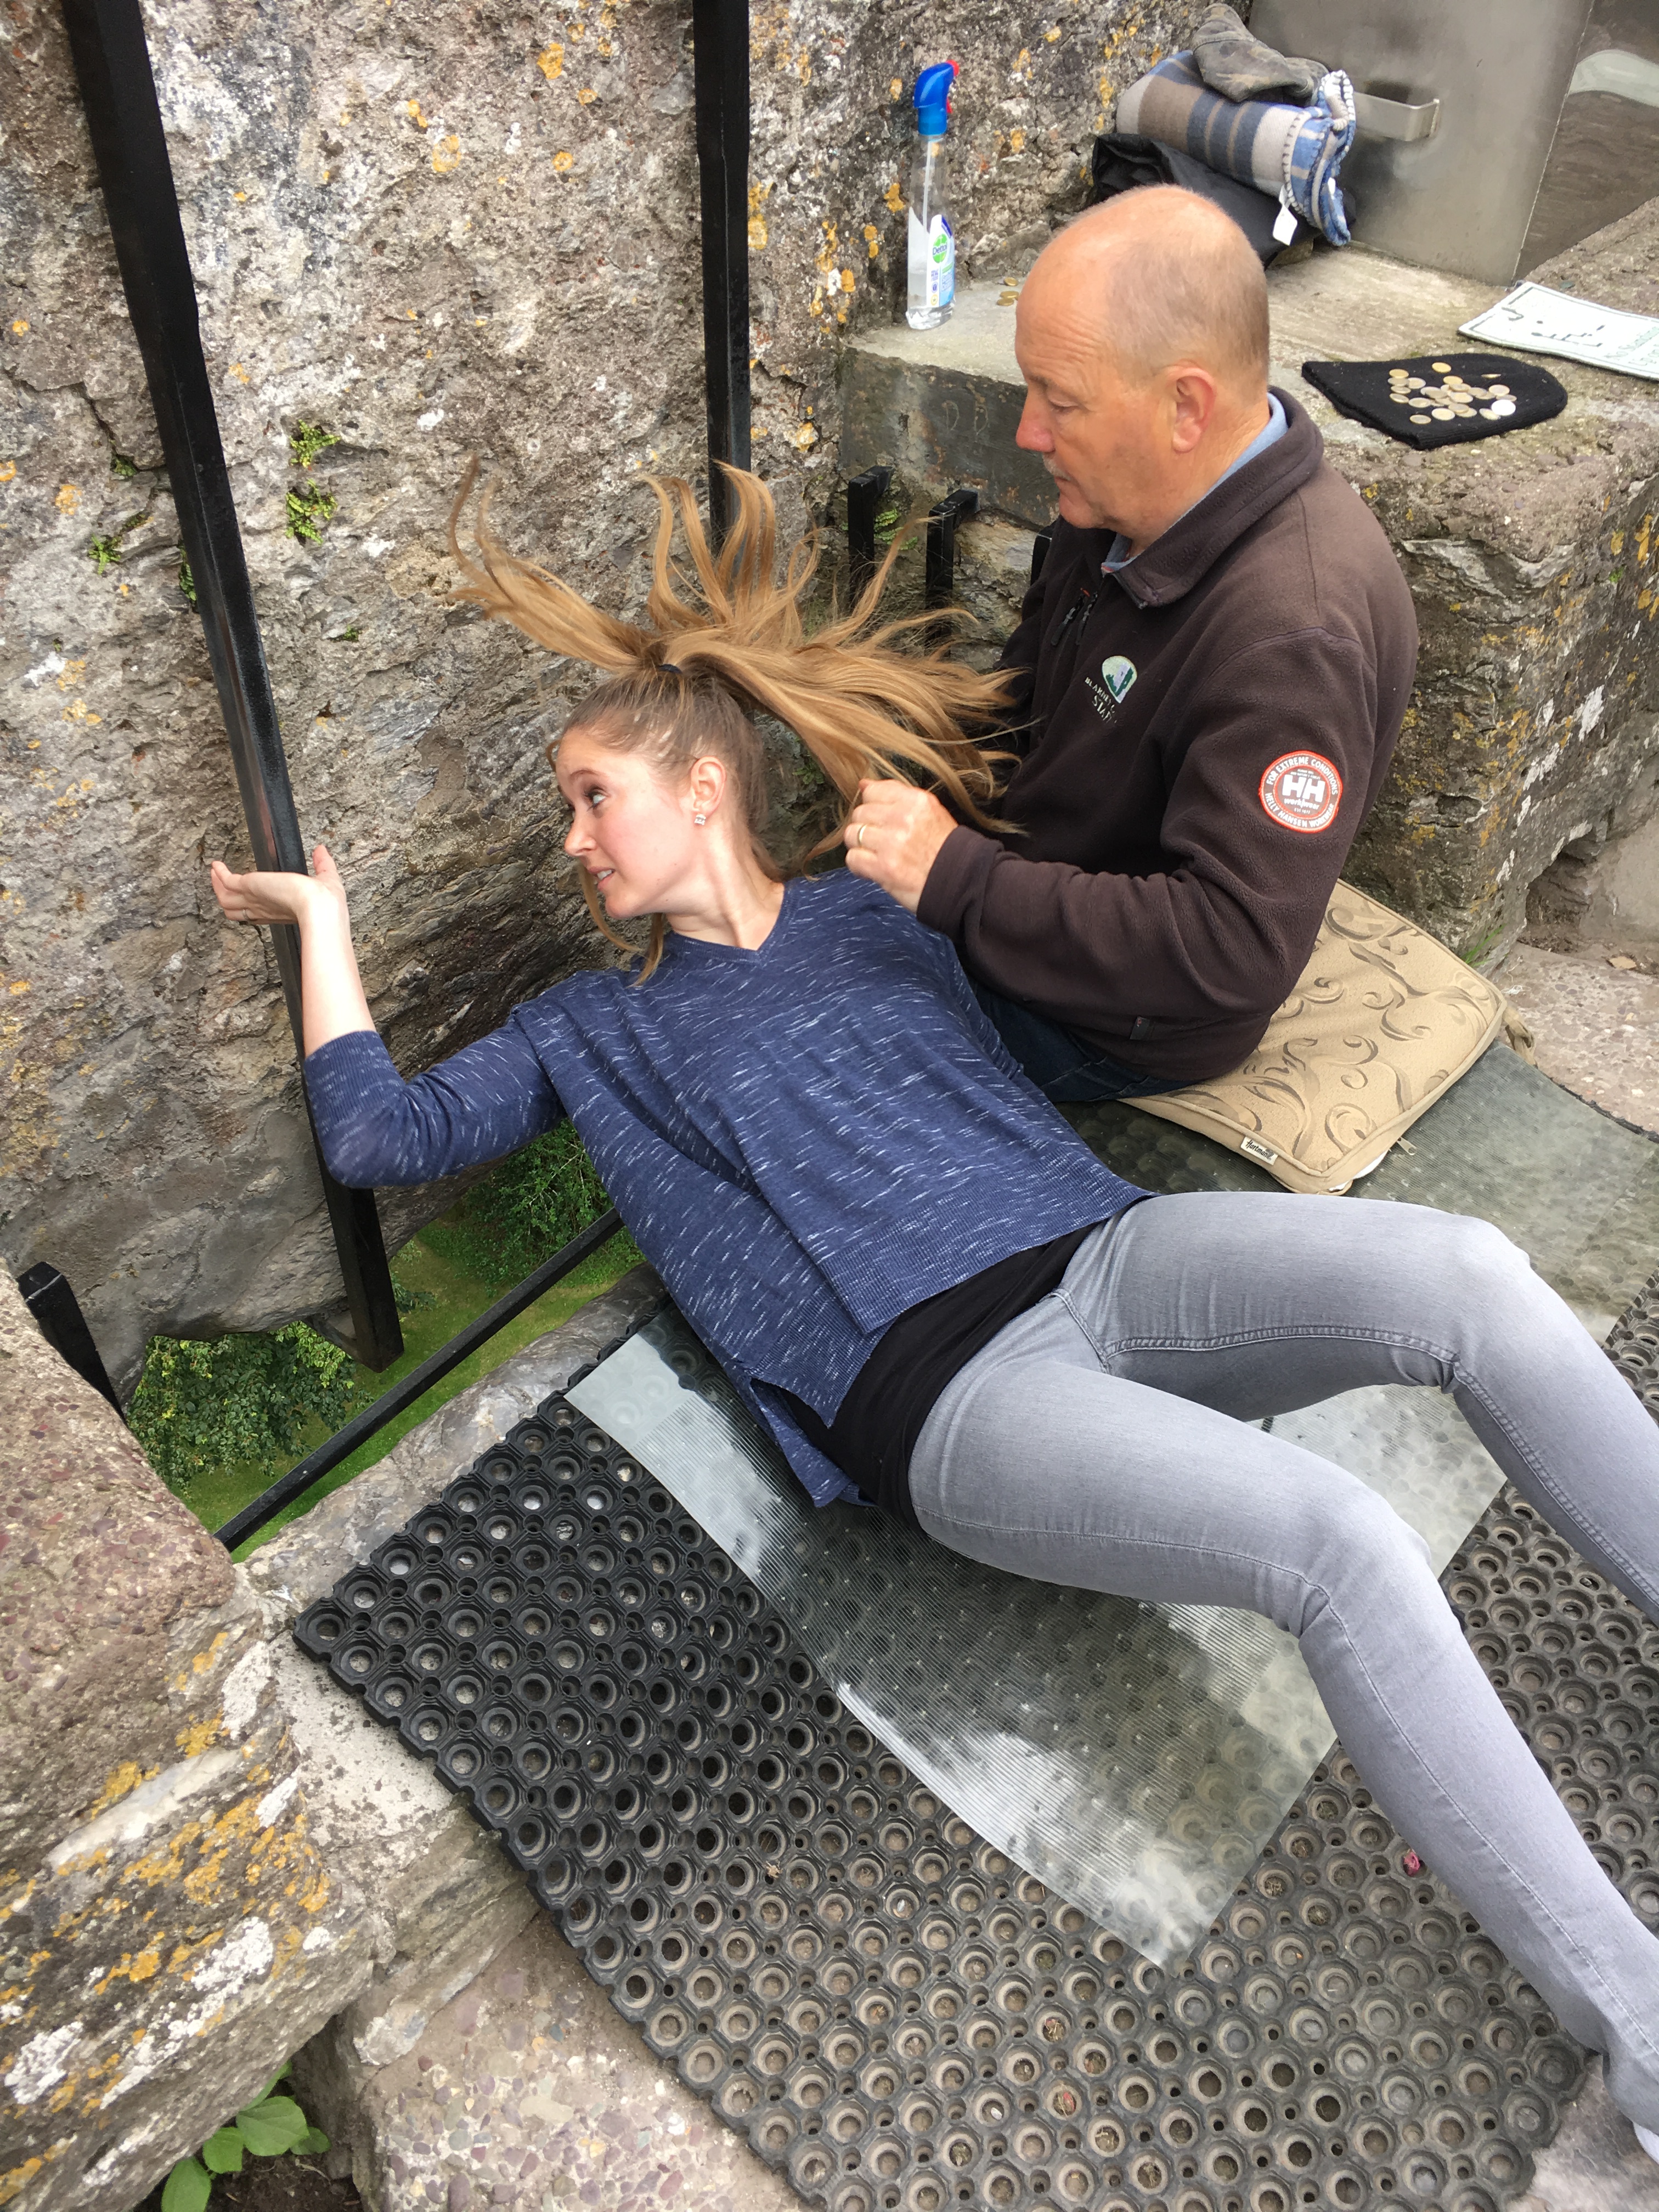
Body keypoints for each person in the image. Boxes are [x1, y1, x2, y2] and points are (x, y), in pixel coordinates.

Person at [212, 469, 1659, 2153]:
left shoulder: (873, 909)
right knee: (1340, 1542)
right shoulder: (586, 1031)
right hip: (956, 1395)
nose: (575, 839)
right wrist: (322, 925)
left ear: (704, 788)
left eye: (595, 797)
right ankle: (1639, 2022)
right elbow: (377, 1135)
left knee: (1469, 1274)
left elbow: (1066, 896)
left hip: (1111, 1255)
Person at [843, 185, 1419, 1102]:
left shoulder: (1291, 636)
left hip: (1109, 1023)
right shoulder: (1131, 499)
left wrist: (959, 880)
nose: (1029, 432)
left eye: (1061, 401)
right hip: (1021, 888)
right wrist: (929, 786)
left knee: (795, 1040)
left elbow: (1235, 947)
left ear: (1187, 406)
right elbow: (1027, 692)